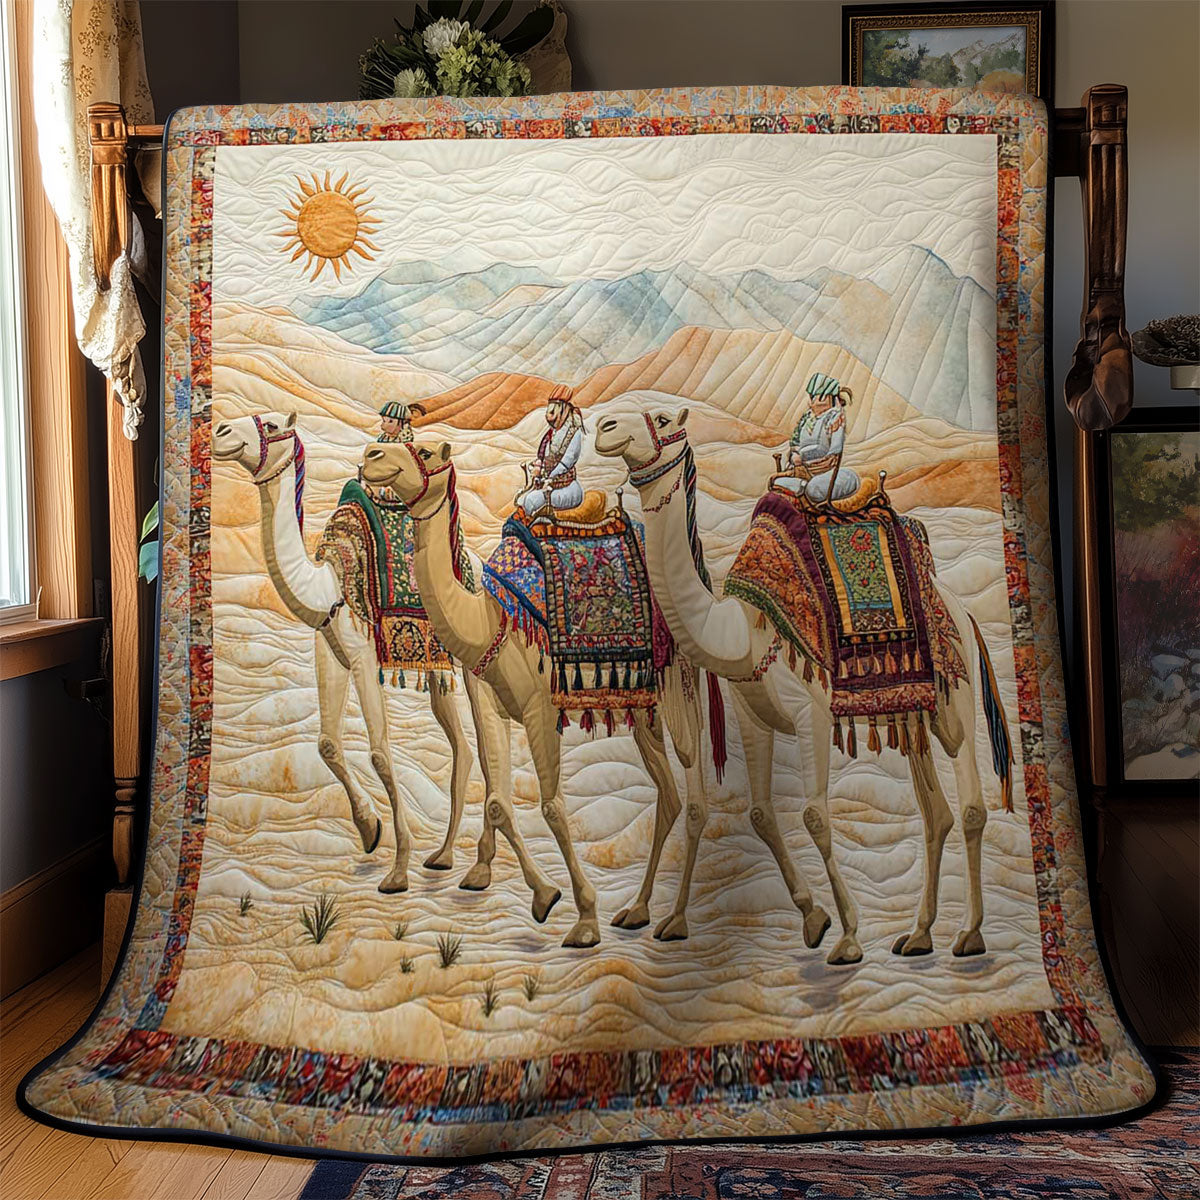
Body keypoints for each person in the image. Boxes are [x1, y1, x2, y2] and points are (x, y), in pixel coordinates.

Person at [775, 372, 860, 505]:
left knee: (813, 490)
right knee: (777, 482)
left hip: (823, 473)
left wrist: (806, 466)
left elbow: (833, 457)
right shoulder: (806, 418)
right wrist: (794, 457)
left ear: (828, 398)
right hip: (801, 471)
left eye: (817, 396)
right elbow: (795, 443)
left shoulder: (835, 418)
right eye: (812, 397)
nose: (812, 401)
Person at [517, 384, 585, 517]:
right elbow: (543, 456)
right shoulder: (551, 434)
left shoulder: (574, 433)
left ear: (564, 409)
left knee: (531, 501)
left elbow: (567, 462)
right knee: (522, 499)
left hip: (567, 488)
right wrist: (538, 467)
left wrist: (548, 478)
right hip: (548, 484)